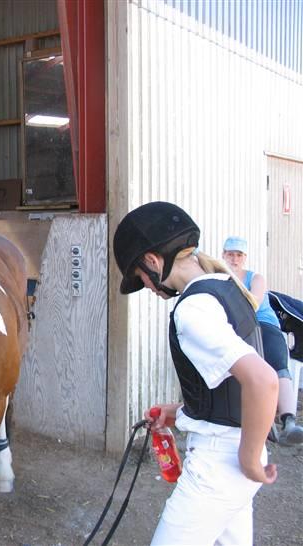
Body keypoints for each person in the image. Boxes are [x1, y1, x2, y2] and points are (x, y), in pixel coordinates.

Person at [113, 202, 278, 546]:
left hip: (221, 465)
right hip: (232, 457)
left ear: (154, 261)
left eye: (141, 277)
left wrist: (248, 460)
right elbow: (228, 386)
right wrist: (183, 411)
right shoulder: (224, 286)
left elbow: (262, 381)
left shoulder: (192, 309)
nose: (147, 286)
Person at [222, 236, 303, 446]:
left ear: (245, 258)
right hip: (235, 329)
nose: (234, 259)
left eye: (239, 255)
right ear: (223, 255)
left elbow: (253, 303)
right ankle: (257, 423)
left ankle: (289, 421)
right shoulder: (218, 279)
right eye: (230, 254)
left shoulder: (255, 278)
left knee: (278, 364)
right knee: (240, 372)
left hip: (263, 325)